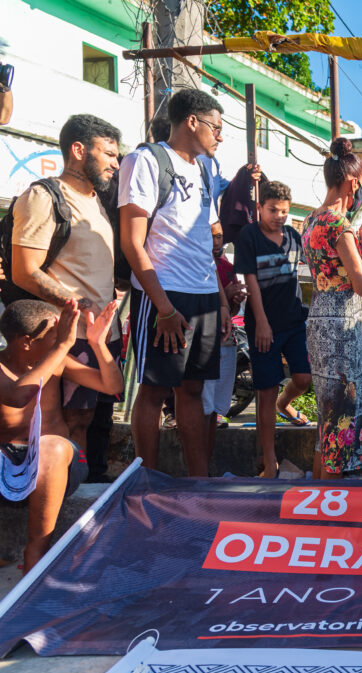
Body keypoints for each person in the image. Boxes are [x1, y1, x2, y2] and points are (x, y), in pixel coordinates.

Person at [118, 88, 232, 477]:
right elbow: (132, 243)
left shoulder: (206, 169)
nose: (220, 136)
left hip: (202, 294)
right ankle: (145, 479)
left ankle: (197, 481)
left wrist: (219, 300)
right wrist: (164, 308)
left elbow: (205, 240)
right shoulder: (145, 161)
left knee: (194, 391)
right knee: (153, 391)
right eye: (217, 127)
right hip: (164, 294)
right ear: (192, 122)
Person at [9, 114, 122, 456]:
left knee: (97, 421)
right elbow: (24, 271)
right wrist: (80, 305)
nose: (115, 164)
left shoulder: (97, 202)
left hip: (103, 335)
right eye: (109, 154)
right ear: (78, 150)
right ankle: (71, 498)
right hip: (70, 334)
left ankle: (92, 490)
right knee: (73, 422)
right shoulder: (43, 196)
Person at [0, 298, 121, 571]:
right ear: (26, 343)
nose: (63, 340)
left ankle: (36, 554)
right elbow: (19, 395)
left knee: (50, 447)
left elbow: (112, 385)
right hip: (7, 469)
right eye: (55, 336)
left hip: (61, 465)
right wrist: (63, 345)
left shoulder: (57, 360)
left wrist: (98, 344)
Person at [301, 138, 362, 479]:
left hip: (319, 317)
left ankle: (319, 496)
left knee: (328, 413)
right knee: (345, 412)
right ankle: (333, 504)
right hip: (342, 326)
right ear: (352, 183)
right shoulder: (339, 225)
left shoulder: (309, 221)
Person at [234, 181, 310, 478]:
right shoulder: (249, 236)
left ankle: (285, 404)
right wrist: (262, 323)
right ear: (259, 208)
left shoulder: (292, 235)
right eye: (273, 210)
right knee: (265, 393)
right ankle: (269, 462)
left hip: (294, 322)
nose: (279, 216)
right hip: (263, 326)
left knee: (303, 378)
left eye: (285, 211)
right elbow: (250, 280)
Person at [200, 223, 245, 452]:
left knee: (216, 410)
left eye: (219, 236)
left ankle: (206, 462)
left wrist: (234, 301)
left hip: (226, 341)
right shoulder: (197, 264)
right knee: (203, 408)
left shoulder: (227, 267)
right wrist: (224, 297)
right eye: (212, 236)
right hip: (206, 341)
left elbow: (232, 313)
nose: (216, 241)